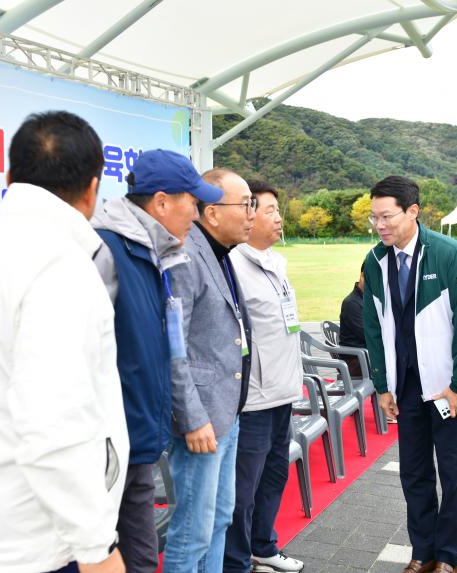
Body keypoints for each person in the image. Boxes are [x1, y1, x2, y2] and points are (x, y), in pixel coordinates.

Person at [0, 111, 130, 573]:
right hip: (42, 542)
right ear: (93, 189)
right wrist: (97, 548)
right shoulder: (61, 267)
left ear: (9, 176)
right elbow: (53, 425)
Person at [91, 149, 223, 572]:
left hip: (138, 438)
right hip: (109, 443)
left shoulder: (154, 250)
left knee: (143, 558)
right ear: (162, 202)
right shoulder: (106, 252)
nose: (198, 213)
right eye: (193, 201)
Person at [362, 175, 457, 573]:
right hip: (405, 387)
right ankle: (423, 551)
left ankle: (448, 557)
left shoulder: (449, 253)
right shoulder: (375, 260)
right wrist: (382, 386)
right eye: (374, 218)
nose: (380, 226)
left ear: (412, 211)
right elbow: (375, 329)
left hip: (449, 388)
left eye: (386, 217)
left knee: (454, 474)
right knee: (414, 473)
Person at [164, 167, 255, 573]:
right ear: (213, 212)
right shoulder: (186, 254)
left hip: (226, 413)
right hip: (200, 421)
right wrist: (192, 417)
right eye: (246, 203)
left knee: (219, 519)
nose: (252, 212)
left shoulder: (220, 253)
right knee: (192, 532)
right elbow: (173, 347)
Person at [224, 179, 304, 573]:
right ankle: (237, 560)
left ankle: (263, 545)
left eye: (277, 210)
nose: (278, 218)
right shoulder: (233, 265)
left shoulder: (275, 264)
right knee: (243, 488)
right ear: (248, 214)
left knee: (274, 473)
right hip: (253, 399)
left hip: (283, 391)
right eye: (269, 210)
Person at [338, 262, 366, 378]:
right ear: (362, 276)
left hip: (363, 355)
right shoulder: (352, 303)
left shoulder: (367, 299)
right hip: (355, 361)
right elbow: (368, 335)